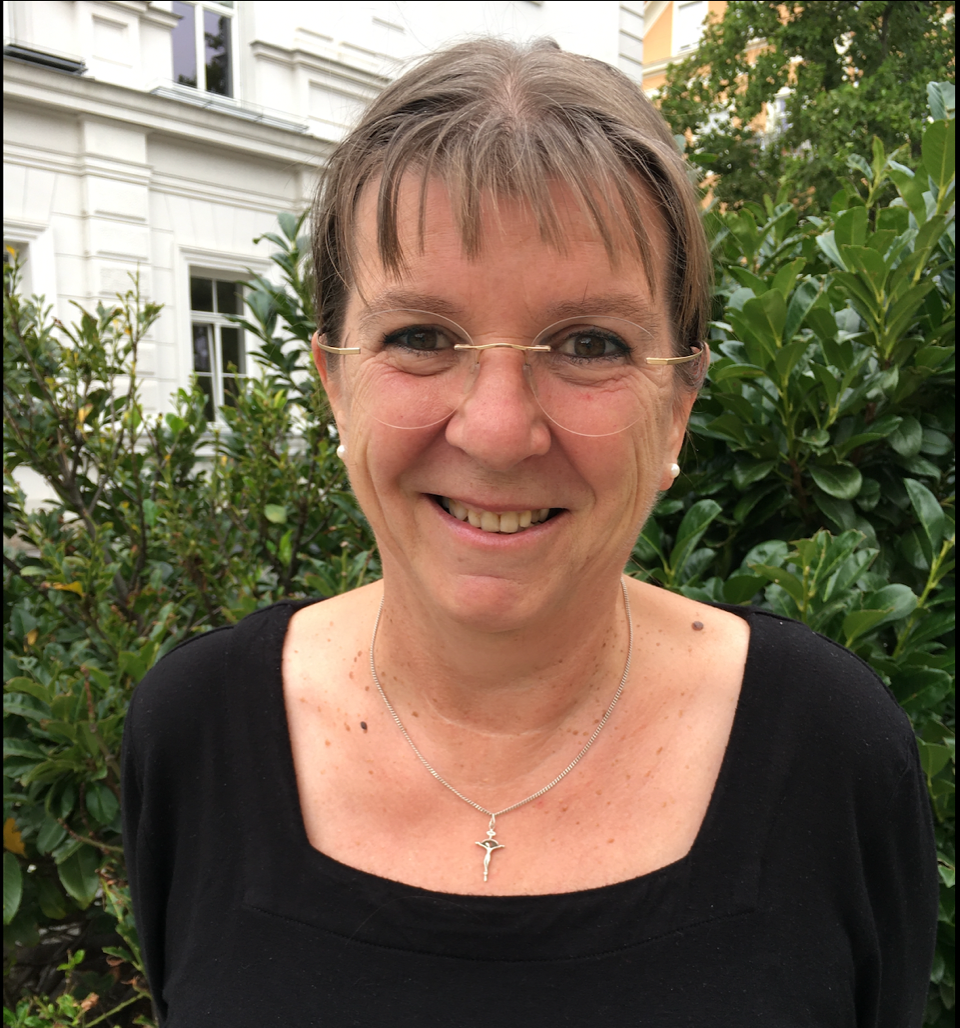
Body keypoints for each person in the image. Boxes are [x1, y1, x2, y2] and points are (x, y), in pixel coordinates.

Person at [122, 38, 938, 1027]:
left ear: (678, 405)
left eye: (589, 343)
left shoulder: (833, 753)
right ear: (335, 382)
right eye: (421, 336)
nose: (499, 430)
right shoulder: (194, 735)